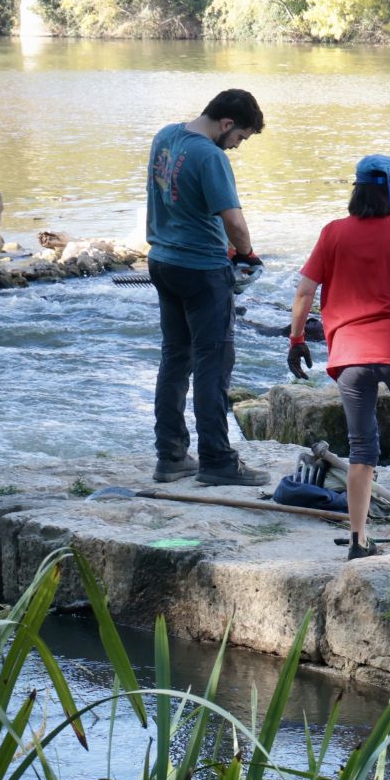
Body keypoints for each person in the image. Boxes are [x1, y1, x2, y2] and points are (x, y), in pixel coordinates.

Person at [286, 155, 390, 560]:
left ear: (357, 189)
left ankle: (358, 541)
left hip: (350, 352)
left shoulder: (333, 233)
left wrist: (296, 340)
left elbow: (304, 292)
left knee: (361, 447)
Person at [145, 88, 269, 487]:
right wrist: (248, 256)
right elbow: (234, 221)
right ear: (227, 123)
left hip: (163, 261)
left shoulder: (165, 136)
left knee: (175, 359)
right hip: (201, 269)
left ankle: (171, 456)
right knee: (213, 365)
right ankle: (217, 460)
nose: (235, 146)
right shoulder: (209, 156)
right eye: (240, 138)